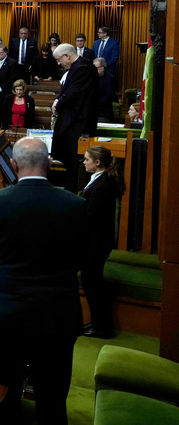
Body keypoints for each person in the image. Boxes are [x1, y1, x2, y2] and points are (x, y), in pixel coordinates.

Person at [0, 137, 85, 425]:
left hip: (7, 313)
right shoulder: (75, 205)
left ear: (13, 165)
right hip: (57, 317)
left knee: (4, 395)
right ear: (49, 165)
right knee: (52, 399)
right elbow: (81, 259)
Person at [81, 145, 124, 339]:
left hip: (96, 243)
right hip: (98, 241)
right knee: (92, 283)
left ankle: (101, 327)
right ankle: (97, 324)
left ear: (97, 163)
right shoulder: (101, 180)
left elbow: (90, 216)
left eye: (86, 159)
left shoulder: (102, 185)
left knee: (93, 285)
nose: (83, 162)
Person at [52, 44, 100, 192]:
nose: (59, 64)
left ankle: (73, 189)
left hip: (79, 122)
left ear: (67, 55)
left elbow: (74, 94)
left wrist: (58, 103)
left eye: (59, 60)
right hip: (74, 119)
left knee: (73, 157)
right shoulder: (78, 67)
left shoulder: (83, 68)